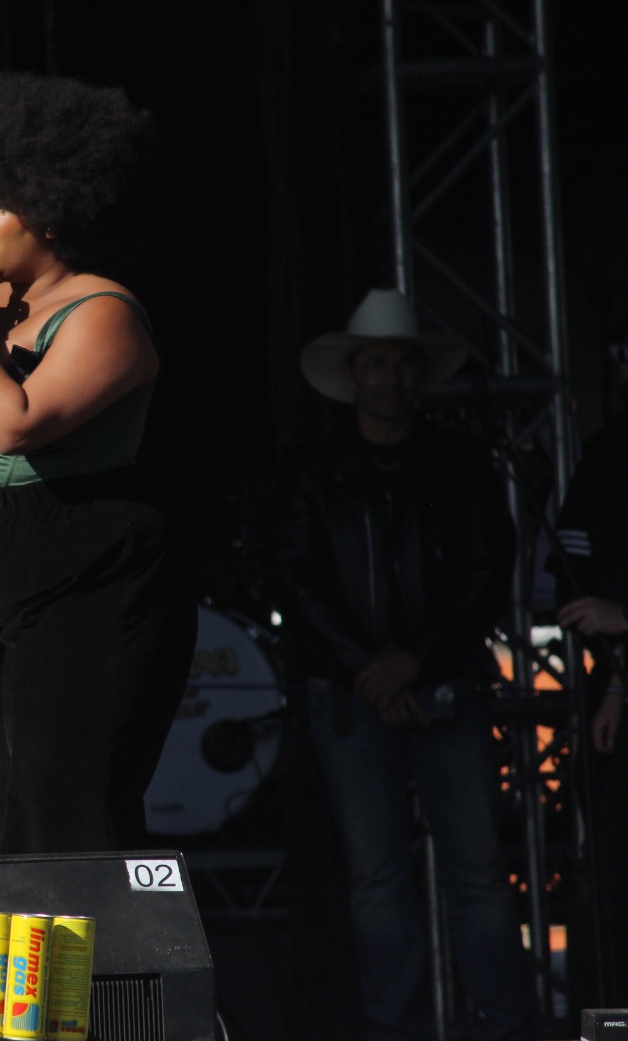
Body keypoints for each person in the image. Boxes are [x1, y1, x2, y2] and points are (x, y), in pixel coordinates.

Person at [0, 71, 196, 854]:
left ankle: (93, 939)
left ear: (52, 210)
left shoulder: (103, 311)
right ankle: (37, 935)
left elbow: (18, 426)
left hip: (80, 556)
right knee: (12, 790)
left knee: (66, 795)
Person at [272, 288, 538, 1040]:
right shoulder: (315, 466)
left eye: (402, 365)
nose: (391, 378)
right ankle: (398, 1031)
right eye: (377, 364)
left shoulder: (460, 461)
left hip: (434, 686)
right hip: (356, 695)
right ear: (353, 373)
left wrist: (408, 662)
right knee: (380, 880)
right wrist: (375, 669)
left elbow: (489, 570)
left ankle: (507, 1026)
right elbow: (293, 576)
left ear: (419, 375)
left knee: (477, 875)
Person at [549, 334, 628, 1008]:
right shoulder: (609, 455)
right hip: (619, 697)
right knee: (610, 887)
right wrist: (619, 682)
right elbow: (572, 586)